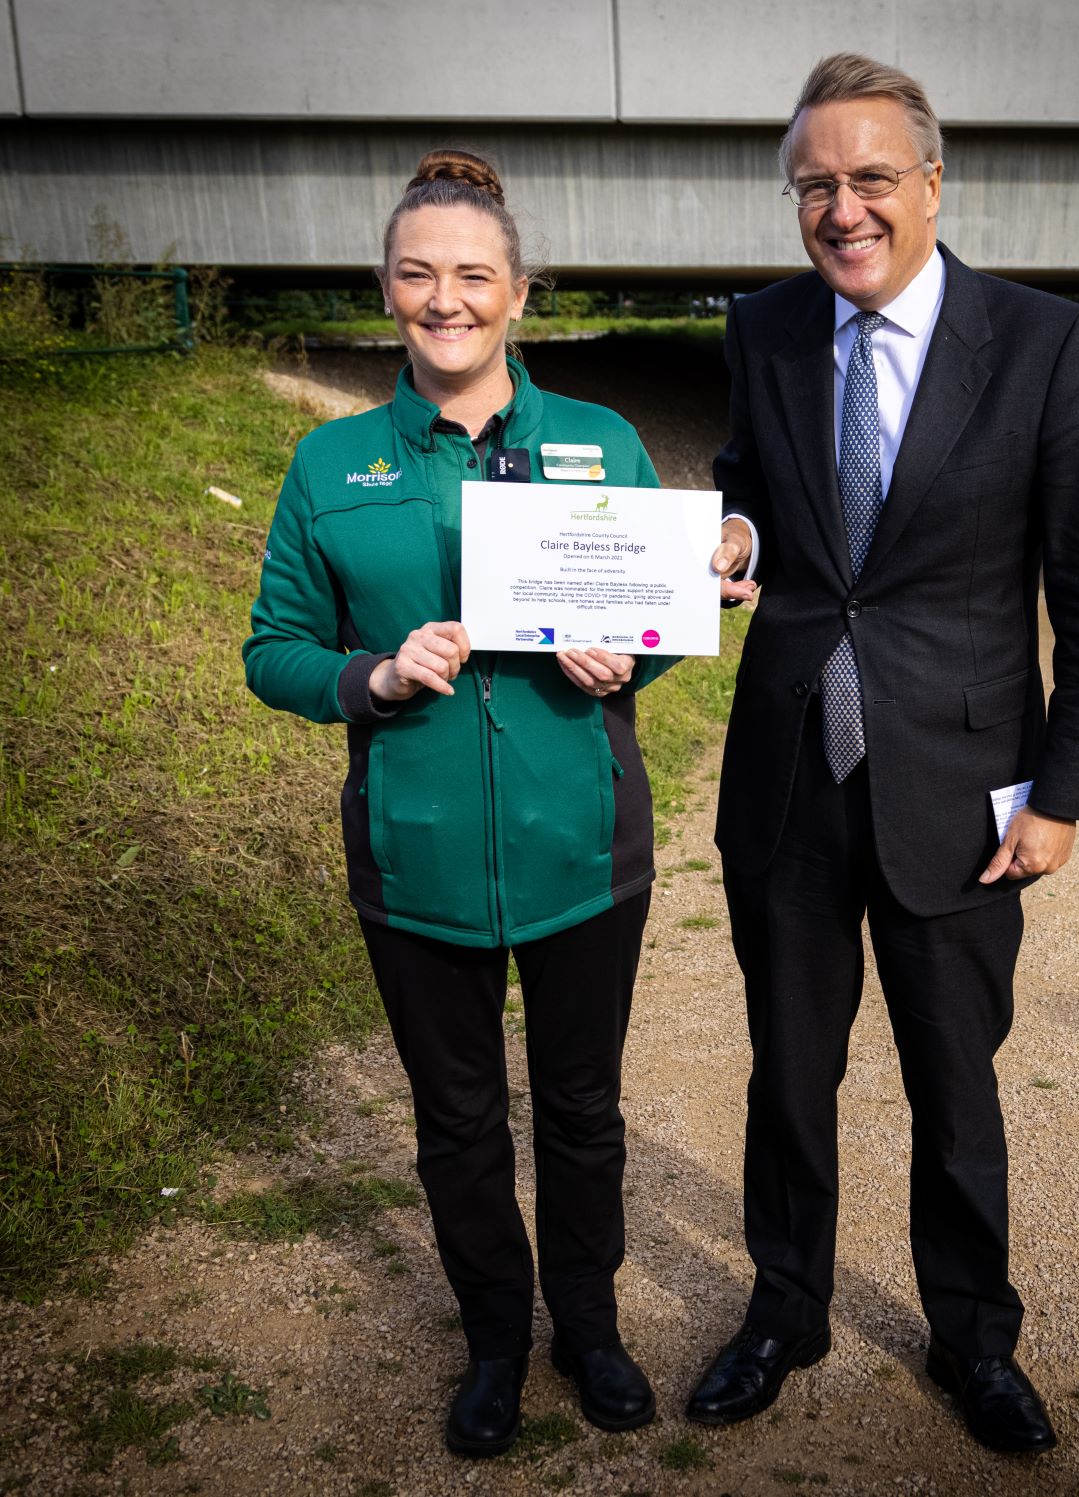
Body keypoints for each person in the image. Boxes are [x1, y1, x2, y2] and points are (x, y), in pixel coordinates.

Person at [696, 54, 1079, 1453]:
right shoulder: (764, 329)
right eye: (815, 183)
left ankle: (974, 1337)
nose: (842, 208)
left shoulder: (1047, 342)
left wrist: (1066, 792)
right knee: (785, 1068)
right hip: (787, 781)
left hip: (958, 792)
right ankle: (783, 1309)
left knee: (956, 1079)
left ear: (931, 183)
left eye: (871, 176)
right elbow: (754, 493)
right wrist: (737, 542)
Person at [244, 150, 673, 1459]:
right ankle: (495, 1336)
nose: (446, 299)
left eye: (472, 274)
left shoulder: (599, 440)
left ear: (518, 292)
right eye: (418, 274)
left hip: (582, 850)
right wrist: (372, 673)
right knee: (461, 1121)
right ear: (388, 289)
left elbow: (652, 622)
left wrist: (626, 650)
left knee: (584, 1109)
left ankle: (588, 1327)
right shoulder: (333, 464)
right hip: (414, 858)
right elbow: (274, 649)